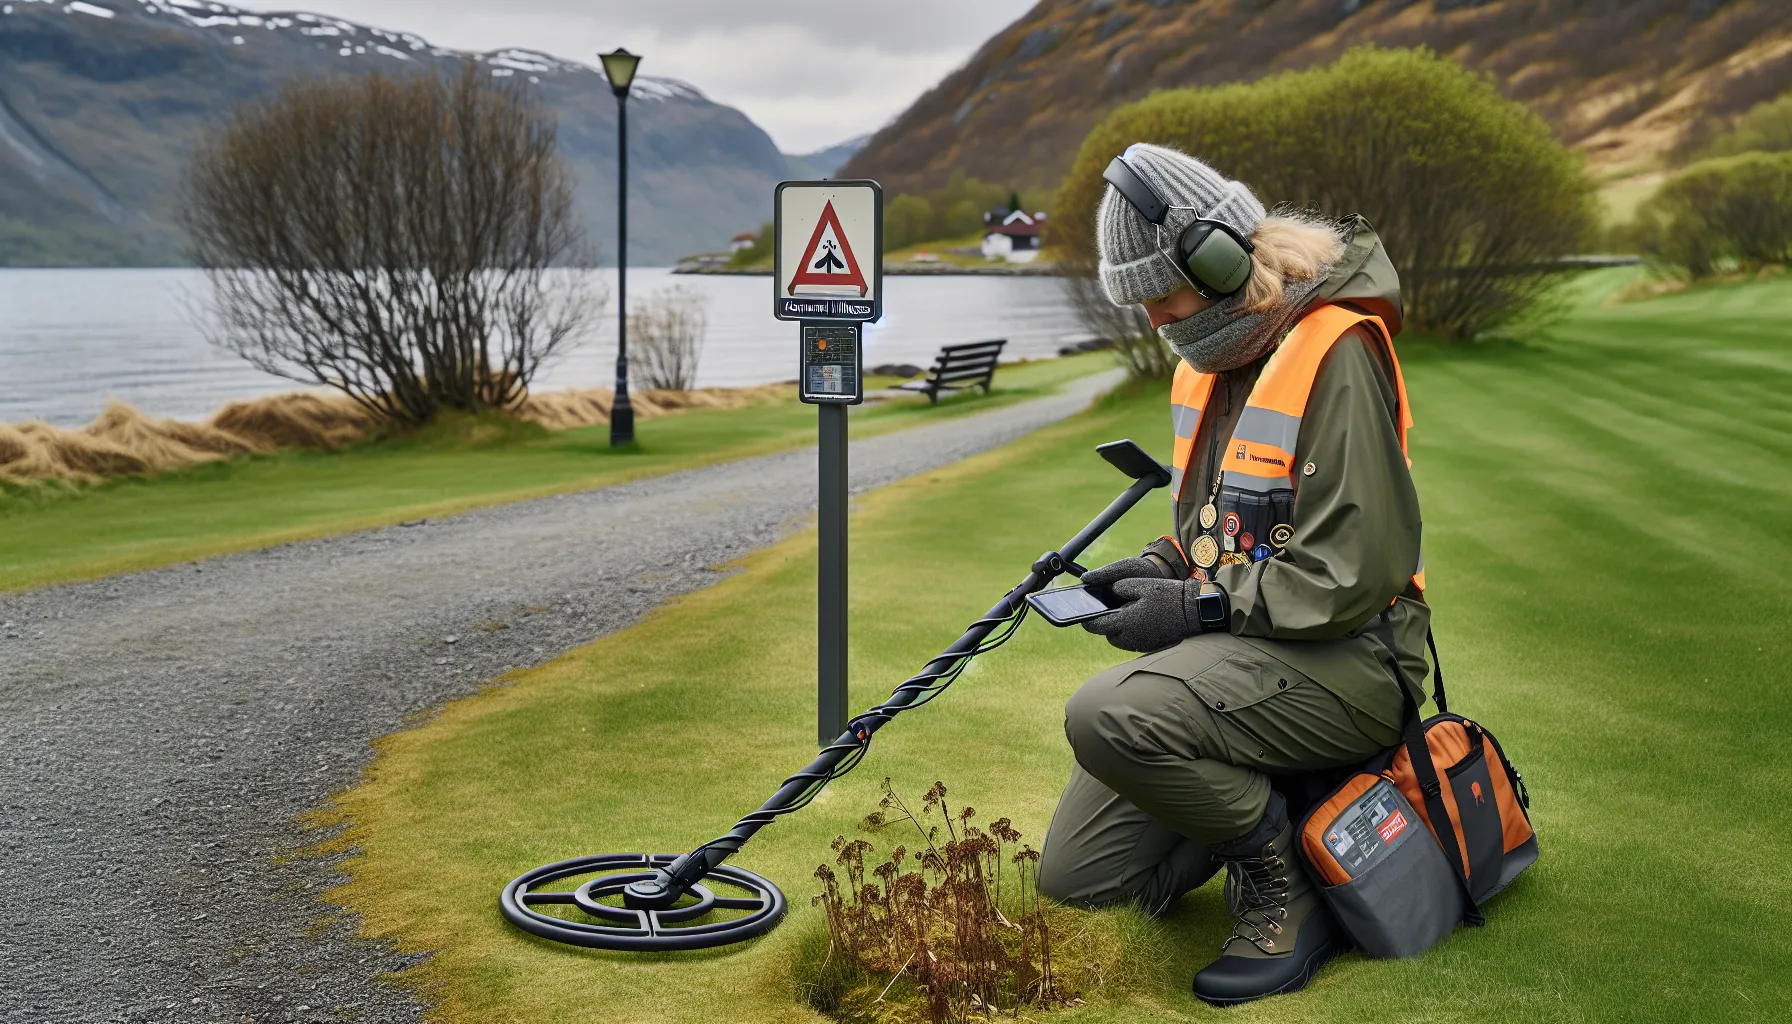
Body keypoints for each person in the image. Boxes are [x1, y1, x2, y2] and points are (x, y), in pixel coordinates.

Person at [1036, 143, 1429, 1005]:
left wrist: (1194, 607)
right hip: (1257, 655)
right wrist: (1157, 567)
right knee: (1080, 882)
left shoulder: (1336, 351)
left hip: (1357, 663)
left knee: (1109, 712)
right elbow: (1217, 531)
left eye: (1158, 292)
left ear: (1217, 260)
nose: (1151, 319)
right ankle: (1265, 794)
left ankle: (1282, 869)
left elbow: (1352, 574)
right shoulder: (1209, 365)